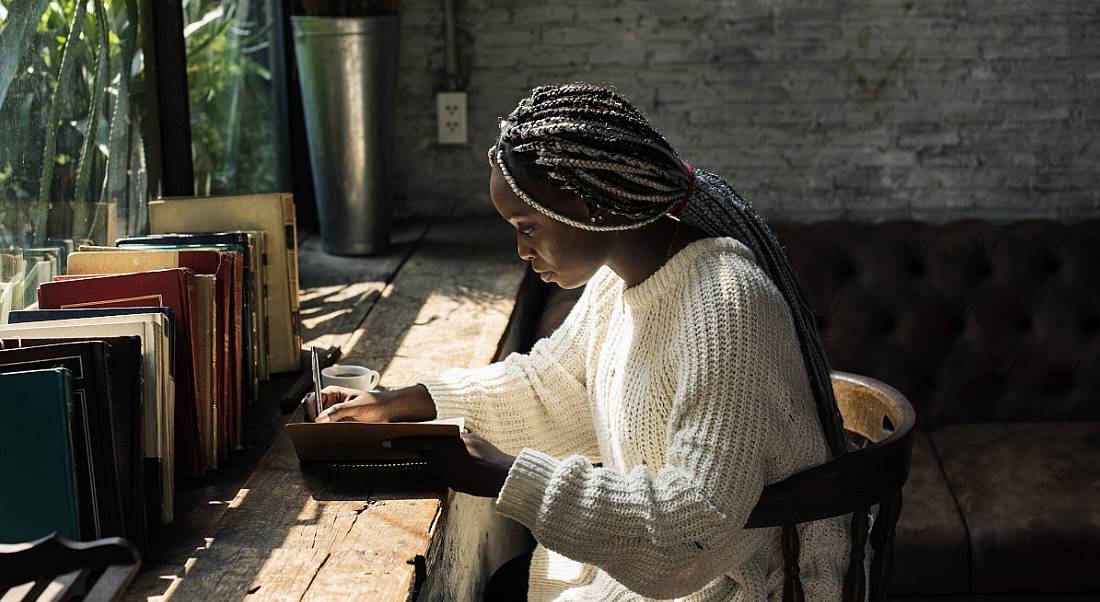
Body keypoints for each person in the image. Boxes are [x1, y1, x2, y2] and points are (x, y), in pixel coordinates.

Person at [309, 83, 853, 600]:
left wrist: (507, 476)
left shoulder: (726, 304)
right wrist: (403, 402)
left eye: (526, 226)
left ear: (587, 205)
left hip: (741, 585)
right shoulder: (619, 281)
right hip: (675, 575)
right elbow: (554, 387)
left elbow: (697, 515)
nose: (521, 250)